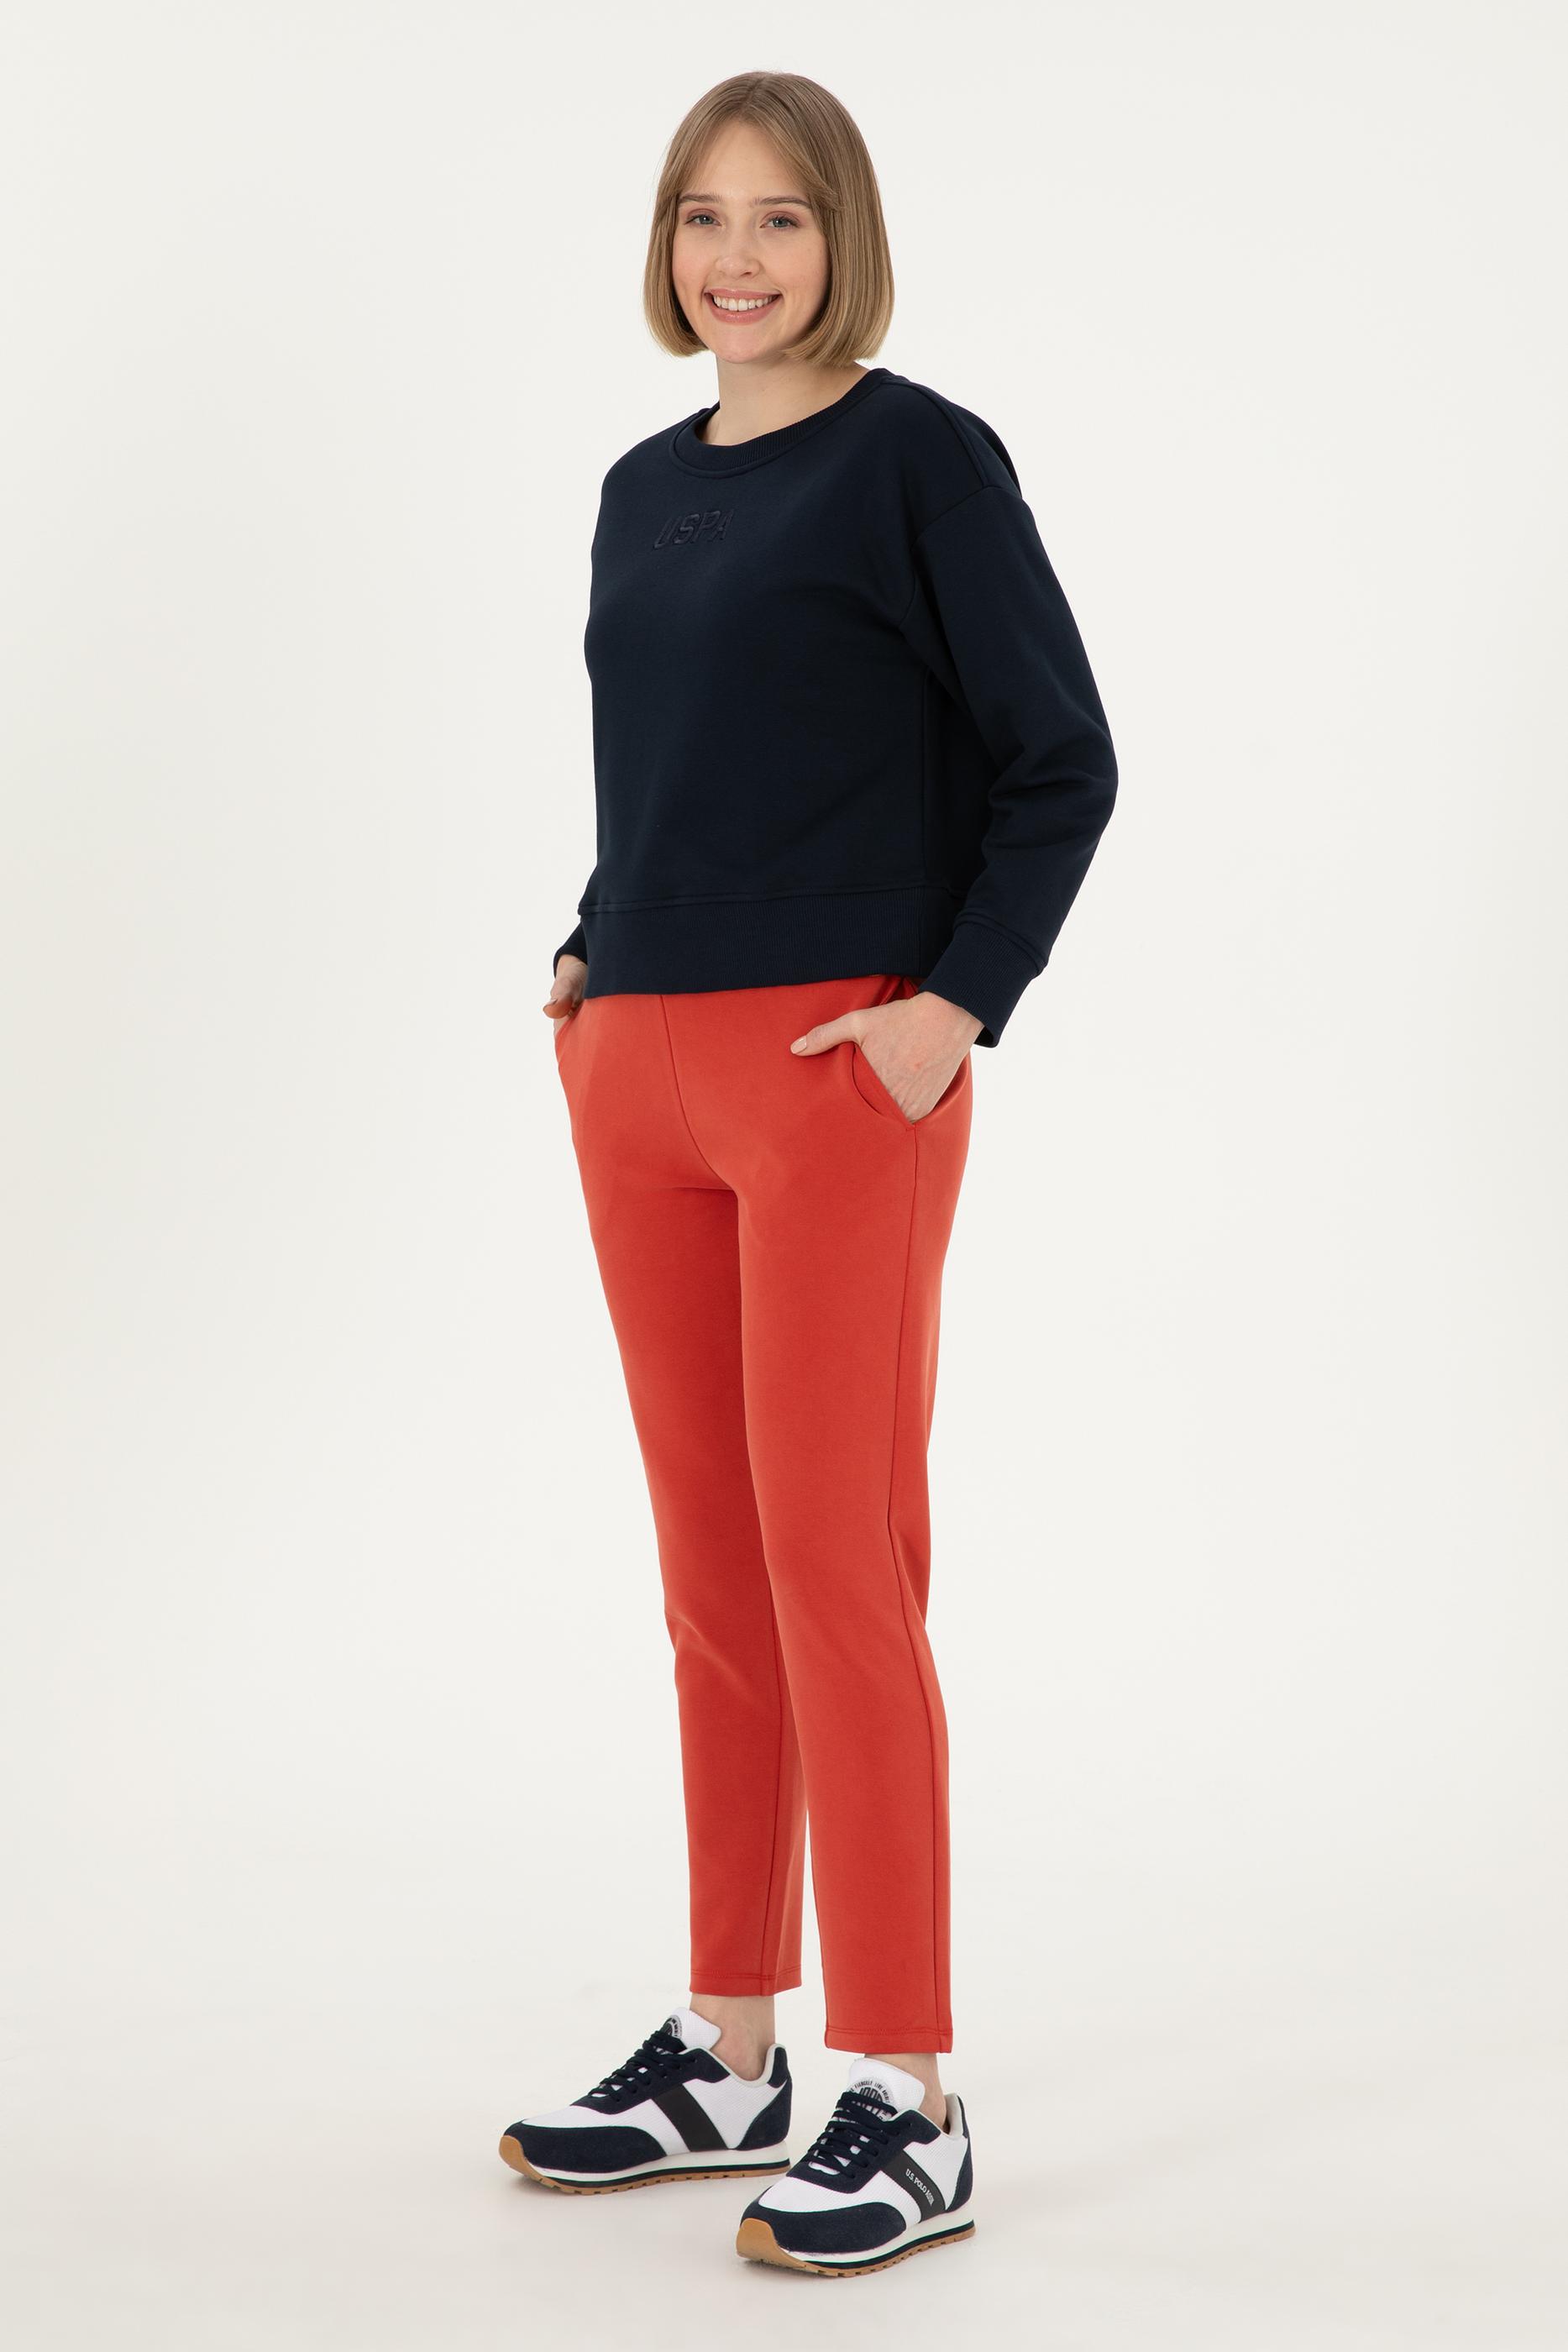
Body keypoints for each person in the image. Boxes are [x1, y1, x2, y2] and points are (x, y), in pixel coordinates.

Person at [498, 69, 1118, 2278]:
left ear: (842, 235)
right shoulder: (638, 488)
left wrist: (953, 1007)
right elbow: (670, 759)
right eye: (701, 216)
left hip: (838, 1064)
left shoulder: (920, 459)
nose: (736, 258)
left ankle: (906, 2090)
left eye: (778, 216)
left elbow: (1060, 759)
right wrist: (595, 948)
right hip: (640, 1060)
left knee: (837, 1565)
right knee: (711, 1577)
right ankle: (728, 2044)